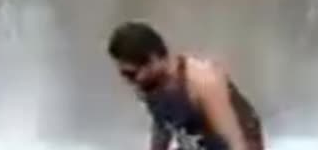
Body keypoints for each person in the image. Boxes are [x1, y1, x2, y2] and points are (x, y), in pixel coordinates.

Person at [108, 21, 265, 150]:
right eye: (124, 74)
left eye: (131, 74)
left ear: (153, 60)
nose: (128, 81)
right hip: (198, 141)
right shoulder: (149, 83)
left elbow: (232, 139)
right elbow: (162, 124)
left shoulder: (202, 80)